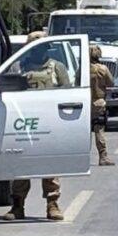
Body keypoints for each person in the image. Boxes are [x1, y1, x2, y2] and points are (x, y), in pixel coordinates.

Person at [5, 31, 71, 222]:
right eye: (35, 48)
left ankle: (52, 204)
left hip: (49, 122)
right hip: (24, 123)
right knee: (20, 165)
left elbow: (68, 94)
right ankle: (17, 205)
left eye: (42, 48)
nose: (38, 52)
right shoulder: (18, 66)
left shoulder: (57, 67)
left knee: (50, 165)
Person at [89, 42, 115, 166]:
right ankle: (103, 156)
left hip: (85, 102)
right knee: (99, 130)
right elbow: (111, 83)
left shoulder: (83, 68)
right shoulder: (103, 69)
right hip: (99, 102)